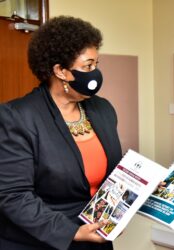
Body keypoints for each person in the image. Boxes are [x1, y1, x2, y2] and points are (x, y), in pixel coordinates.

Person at [0, 16, 123, 250]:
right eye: (88, 66)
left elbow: (113, 176)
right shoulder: (17, 117)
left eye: (97, 64)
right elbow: (13, 196)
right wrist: (73, 232)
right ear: (60, 71)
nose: (95, 73)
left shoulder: (103, 109)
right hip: (41, 241)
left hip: (95, 239)